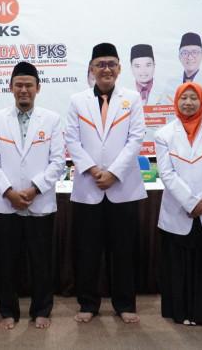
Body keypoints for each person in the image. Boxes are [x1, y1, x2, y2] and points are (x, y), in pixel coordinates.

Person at [65, 42, 147, 324]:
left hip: (122, 188)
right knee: (88, 250)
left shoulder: (131, 99)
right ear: (91, 68)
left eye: (111, 64)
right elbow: (71, 139)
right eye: (101, 64)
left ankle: (125, 304)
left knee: (123, 250)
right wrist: (91, 169)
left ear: (119, 68)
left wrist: (113, 173)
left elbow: (136, 138)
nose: (106, 69)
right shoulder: (77, 101)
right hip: (88, 188)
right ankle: (88, 304)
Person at [0, 62, 66, 330]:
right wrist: (9, 192)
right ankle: (7, 311)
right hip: (6, 204)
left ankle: (42, 310)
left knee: (41, 261)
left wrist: (34, 188)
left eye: (28, 85)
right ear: (10, 87)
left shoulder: (52, 119)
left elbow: (58, 162)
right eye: (18, 85)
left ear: (37, 88)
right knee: (6, 261)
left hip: (39, 202)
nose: (23, 90)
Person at [154, 82, 202, 326]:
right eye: (183, 98)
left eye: (193, 98)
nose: (188, 103)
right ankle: (182, 312)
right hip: (179, 209)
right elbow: (166, 173)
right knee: (180, 264)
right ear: (176, 101)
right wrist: (190, 202)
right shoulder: (163, 134)